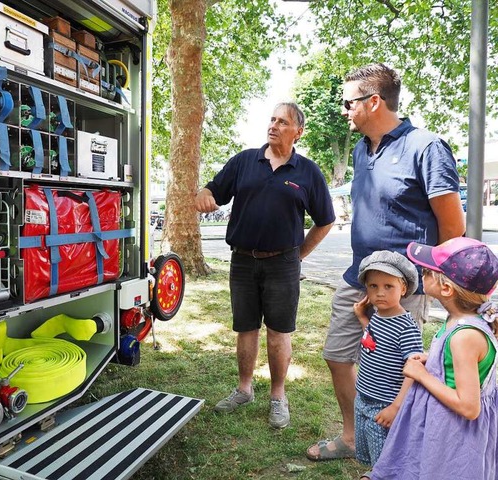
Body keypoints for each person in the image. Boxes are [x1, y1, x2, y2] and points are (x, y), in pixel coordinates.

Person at [306, 63, 465, 460]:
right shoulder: (361, 149)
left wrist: (435, 281)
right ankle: (353, 436)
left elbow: (453, 225)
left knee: (400, 370)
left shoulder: (427, 147)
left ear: (373, 101)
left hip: (403, 286)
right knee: (337, 354)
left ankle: (395, 445)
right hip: (357, 276)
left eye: (348, 102)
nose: (344, 110)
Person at [194, 102, 335, 428]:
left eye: (282, 121)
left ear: (298, 131)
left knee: (278, 332)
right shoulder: (245, 161)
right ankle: (244, 389)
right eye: (272, 119)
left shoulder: (308, 172)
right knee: (245, 328)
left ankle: (277, 395)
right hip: (242, 260)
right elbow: (214, 189)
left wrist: (298, 254)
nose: (273, 125)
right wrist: (203, 193)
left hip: (283, 263)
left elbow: (325, 221)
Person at [372, 237, 498, 479]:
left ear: (446, 289)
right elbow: (466, 365)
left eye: (427, 272)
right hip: (447, 424)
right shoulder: (462, 319)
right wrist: (435, 359)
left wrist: (421, 375)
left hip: (456, 433)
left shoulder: (465, 336)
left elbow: (469, 407)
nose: (422, 274)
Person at [353, 251, 423, 480]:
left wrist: (396, 407)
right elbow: (374, 341)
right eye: (373, 286)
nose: (379, 293)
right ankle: (375, 472)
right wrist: (363, 318)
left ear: (403, 288)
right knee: (371, 450)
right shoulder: (377, 316)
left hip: (384, 404)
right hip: (363, 398)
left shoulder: (406, 328)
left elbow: (414, 370)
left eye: (388, 286)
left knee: (387, 455)